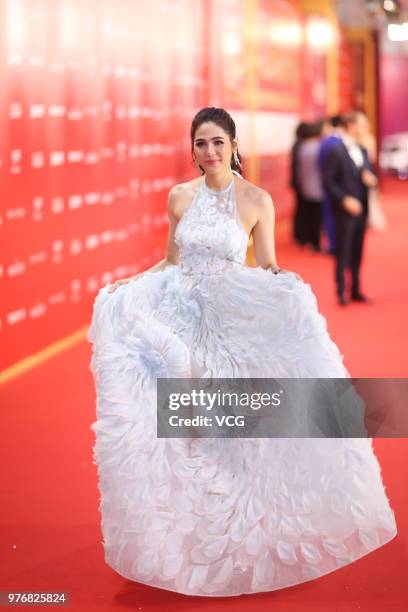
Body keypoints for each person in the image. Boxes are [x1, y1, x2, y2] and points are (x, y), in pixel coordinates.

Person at [88, 107, 396, 597]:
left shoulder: (255, 200)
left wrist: (285, 286)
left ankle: (245, 532)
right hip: (182, 316)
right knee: (185, 432)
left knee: (234, 432)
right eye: (201, 143)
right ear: (192, 149)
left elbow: (268, 262)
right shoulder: (179, 197)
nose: (209, 152)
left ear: (233, 145)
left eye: (217, 142)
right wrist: (132, 281)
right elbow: (172, 260)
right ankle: (190, 537)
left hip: (229, 320)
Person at [321, 111, 378, 306]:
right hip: (344, 210)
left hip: (362, 208)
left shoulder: (362, 149)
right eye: (363, 124)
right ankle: (341, 291)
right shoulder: (335, 150)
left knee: (358, 249)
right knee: (343, 251)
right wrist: (345, 199)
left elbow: (367, 171)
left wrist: (369, 177)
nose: (366, 129)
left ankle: (355, 289)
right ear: (351, 126)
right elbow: (329, 182)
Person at [295, 120, 325, 252]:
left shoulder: (303, 147)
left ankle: (308, 240)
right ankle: (315, 243)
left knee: (308, 214)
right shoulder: (318, 147)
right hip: (317, 186)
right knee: (316, 216)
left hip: (306, 184)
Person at [318, 115, 345, 255]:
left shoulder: (326, 142)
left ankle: (333, 244)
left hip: (329, 185)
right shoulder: (343, 141)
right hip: (344, 186)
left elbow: (320, 164)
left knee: (330, 215)